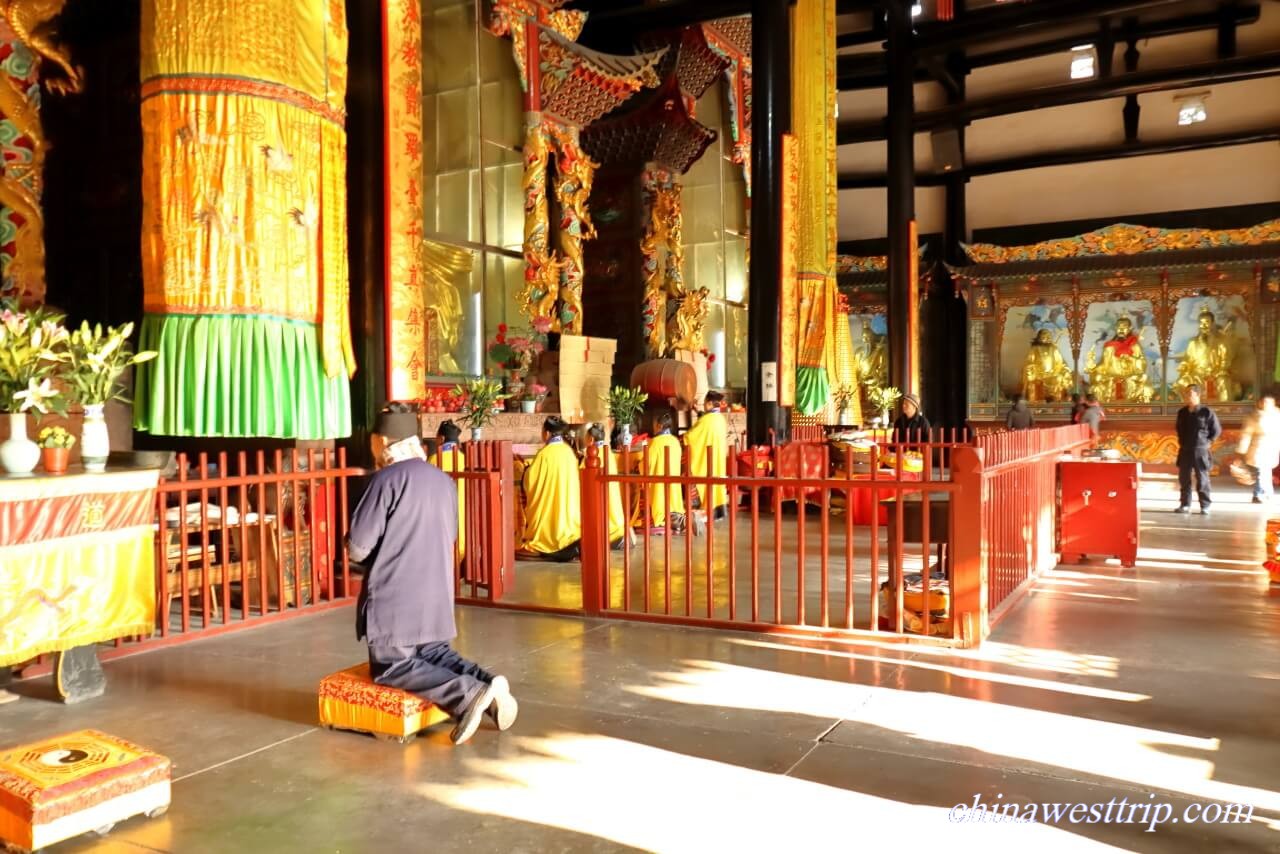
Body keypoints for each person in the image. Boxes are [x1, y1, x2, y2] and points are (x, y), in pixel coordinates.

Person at [348, 408, 517, 746]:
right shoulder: (442, 480)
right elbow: (451, 533)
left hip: (396, 596)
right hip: (436, 593)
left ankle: (468, 695)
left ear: (380, 441)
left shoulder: (385, 480)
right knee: (434, 652)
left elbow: (358, 548)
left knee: (392, 666)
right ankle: (488, 682)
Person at [520, 416, 582, 560]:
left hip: (549, 516)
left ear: (547, 433)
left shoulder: (544, 454)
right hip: (568, 517)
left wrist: (526, 469)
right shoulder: (569, 452)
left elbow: (530, 481)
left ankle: (548, 544)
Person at [1175, 385, 1222, 515]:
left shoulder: (1206, 412)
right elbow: (1179, 430)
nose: (1187, 396)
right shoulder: (1182, 412)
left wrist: (1207, 442)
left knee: (1202, 479)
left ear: (1197, 395)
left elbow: (1216, 430)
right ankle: (1185, 504)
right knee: (1184, 478)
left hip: (1200, 450)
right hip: (1185, 450)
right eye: (1185, 393)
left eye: (1190, 394)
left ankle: (1205, 505)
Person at [684, 391, 729, 519]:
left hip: (706, 460)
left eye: (704, 403)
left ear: (709, 404)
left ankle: (707, 510)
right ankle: (718, 511)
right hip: (718, 459)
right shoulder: (720, 418)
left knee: (706, 482)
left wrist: (679, 440)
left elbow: (691, 437)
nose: (703, 405)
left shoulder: (706, 420)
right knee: (717, 483)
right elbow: (705, 422)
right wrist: (697, 412)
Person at [640, 411, 686, 533]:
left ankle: (664, 519)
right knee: (674, 501)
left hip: (659, 483)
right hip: (674, 481)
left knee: (660, 502)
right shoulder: (675, 441)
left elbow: (645, 464)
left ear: (660, 426)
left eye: (655, 425)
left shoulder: (654, 443)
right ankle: (677, 518)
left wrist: (638, 466)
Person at [585, 422, 629, 548]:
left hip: (601, 504)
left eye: (586, 438)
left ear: (591, 439)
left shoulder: (591, 456)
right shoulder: (608, 452)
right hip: (616, 511)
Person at [430, 420, 466, 560]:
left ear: (442, 438)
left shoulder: (435, 459)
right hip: (464, 511)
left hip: (442, 514)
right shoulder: (464, 458)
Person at [1237, 394, 1280, 504]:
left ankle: (1266, 493)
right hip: (1258, 447)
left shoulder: (1277, 415)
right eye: (1263, 402)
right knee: (1262, 471)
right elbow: (1246, 434)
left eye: (1268, 402)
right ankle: (1258, 494)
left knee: (1266, 471)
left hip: (1271, 447)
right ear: (1260, 403)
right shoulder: (1253, 417)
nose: (1265, 404)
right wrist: (1241, 449)